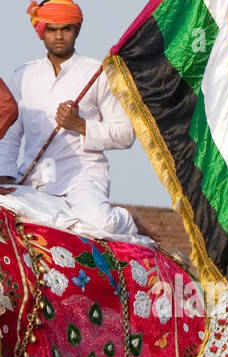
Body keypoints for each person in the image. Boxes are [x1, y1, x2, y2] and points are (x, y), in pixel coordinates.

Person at [0, 1, 138, 235]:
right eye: (52, 30)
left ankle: (127, 220)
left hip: (83, 178)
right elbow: (11, 136)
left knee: (98, 225)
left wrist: (80, 125)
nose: (59, 36)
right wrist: (5, 175)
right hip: (35, 177)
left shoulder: (97, 74)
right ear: (42, 32)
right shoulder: (24, 75)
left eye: (66, 29)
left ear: (77, 31)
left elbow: (126, 134)